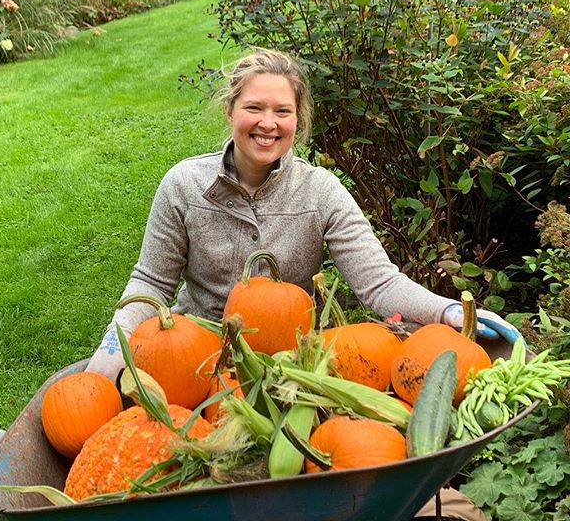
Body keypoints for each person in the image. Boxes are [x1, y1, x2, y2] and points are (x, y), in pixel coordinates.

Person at [87, 47, 518, 520]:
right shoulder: (184, 186)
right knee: (182, 472)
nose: (267, 123)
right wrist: (102, 366)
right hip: (197, 368)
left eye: (282, 111)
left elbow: (378, 282)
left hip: (300, 370)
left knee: (354, 462)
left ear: (299, 120)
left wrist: (448, 312)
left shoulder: (320, 192)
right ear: (230, 110)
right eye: (254, 107)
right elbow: (149, 281)